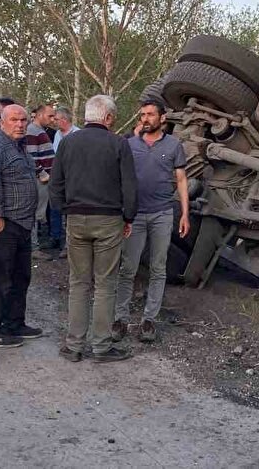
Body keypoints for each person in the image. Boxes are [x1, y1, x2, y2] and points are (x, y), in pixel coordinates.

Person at [50, 94, 136, 363]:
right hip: (109, 220)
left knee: (78, 283)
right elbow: (129, 187)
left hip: (76, 218)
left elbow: (55, 184)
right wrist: (128, 217)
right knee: (105, 284)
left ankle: (74, 345)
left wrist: (65, 210)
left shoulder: (68, 143)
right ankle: (101, 346)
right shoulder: (119, 144)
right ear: (108, 117)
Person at [112, 99, 190, 343]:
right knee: (128, 268)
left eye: (150, 114)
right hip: (134, 214)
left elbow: (181, 181)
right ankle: (120, 319)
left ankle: (149, 320)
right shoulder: (129, 144)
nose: (145, 118)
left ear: (162, 118)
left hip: (162, 214)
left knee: (158, 268)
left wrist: (185, 213)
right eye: (142, 114)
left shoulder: (175, 145)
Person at [0, 104, 44, 348]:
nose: (20, 124)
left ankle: (14, 323)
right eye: (14, 119)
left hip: (23, 224)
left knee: (20, 276)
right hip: (4, 225)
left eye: (23, 120)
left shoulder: (20, 146)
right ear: (2, 122)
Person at [41, 106, 79, 260]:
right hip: (57, 177)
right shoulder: (57, 134)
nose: (54, 122)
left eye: (56, 119)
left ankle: (69, 245)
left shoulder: (78, 134)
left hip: (72, 178)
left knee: (70, 212)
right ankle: (55, 237)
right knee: (55, 207)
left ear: (63, 119)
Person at [26, 103, 57, 252]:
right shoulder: (32, 131)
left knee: (40, 213)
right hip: (39, 179)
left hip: (45, 178)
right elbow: (31, 156)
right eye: (50, 116)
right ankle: (33, 247)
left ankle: (36, 244)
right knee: (34, 213)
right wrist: (42, 174)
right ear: (39, 115)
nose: (52, 119)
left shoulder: (40, 131)